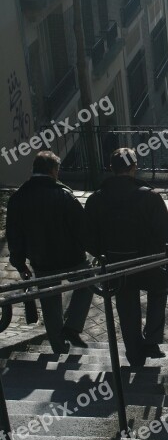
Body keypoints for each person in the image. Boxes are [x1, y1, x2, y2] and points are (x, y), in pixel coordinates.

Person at [84, 148, 168, 367]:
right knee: (159, 290)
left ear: (111, 169)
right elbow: (167, 234)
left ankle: (134, 353)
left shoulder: (96, 199)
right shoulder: (149, 196)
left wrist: (102, 254)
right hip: (149, 262)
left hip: (116, 262)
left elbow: (87, 237)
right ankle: (152, 339)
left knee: (126, 307)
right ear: (134, 167)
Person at [6, 151, 93, 353]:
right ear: (54, 170)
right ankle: (72, 325)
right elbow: (82, 230)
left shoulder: (18, 199)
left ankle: (58, 347)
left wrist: (20, 264)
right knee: (88, 283)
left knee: (49, 302)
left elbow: (14, 235)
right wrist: (93, 250)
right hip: (72, 258)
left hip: (41, 260)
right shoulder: (65, 196)